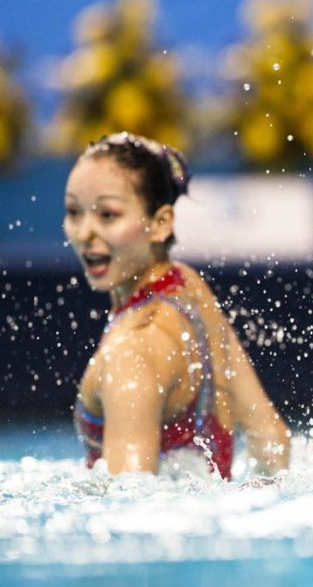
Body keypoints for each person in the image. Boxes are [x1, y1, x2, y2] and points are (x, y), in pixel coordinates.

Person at [64, 132, 290, 479]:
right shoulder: (188, 286)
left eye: (107, 215)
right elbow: (271, 438)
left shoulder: (130, 353)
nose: (84, 232)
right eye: (74, 212)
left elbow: (131, 502)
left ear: (160, 223)